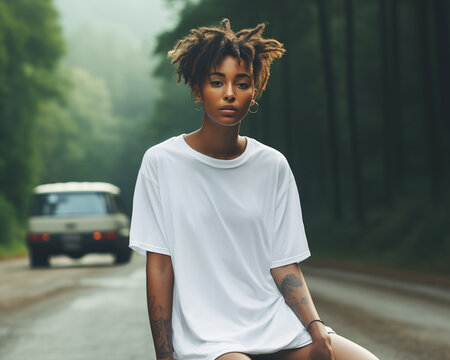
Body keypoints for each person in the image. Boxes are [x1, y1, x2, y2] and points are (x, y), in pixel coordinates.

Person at [129, 19, 379, 360]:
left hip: (276, 325)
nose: (230, 92)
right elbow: (159, 266)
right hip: (210, 338)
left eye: (241, 83)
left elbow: (284, 265)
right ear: (198, 91)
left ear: (254, 92)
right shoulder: (161, 162)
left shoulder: (272, 165)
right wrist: (165, 354)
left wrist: (317, 329)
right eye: (217, 82)